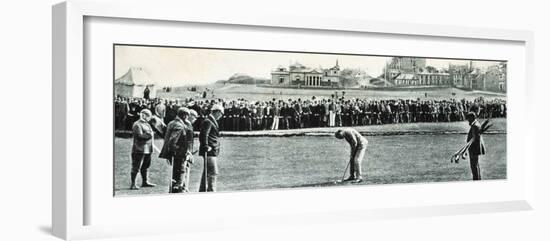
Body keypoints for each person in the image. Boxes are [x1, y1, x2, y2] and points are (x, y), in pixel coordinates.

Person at [199, 104, 224, 192]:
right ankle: (211, 191)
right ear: (217, 112)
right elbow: (204, 135)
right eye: (221, 114)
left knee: (207, 172)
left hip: (211, 150)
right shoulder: (208, 121)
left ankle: (202, 191)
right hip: (209, 151)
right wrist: (206, 146)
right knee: (213, 172)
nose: (221, 116)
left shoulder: (210, 120)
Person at [130, 109, 156, 190]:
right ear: (143, 115)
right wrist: (149, 134)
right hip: (139, 149)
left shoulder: (146, 124)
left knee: (145, 166)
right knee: (136, 167)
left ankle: (145, 182)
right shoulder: (137, 124)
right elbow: (139, 136)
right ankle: (133, 184)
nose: (149, 118)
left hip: (148, 149)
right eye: (148, 116)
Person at [466, 112, 486, 180]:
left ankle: (476, 179)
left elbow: (476, 139)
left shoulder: (475, 125)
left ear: (472, 118)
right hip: (474, 148)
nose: (468, 120)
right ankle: (478, 178)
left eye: (469, 119)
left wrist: (471, 149)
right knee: (476, 164)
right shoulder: (475, 124)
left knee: (474, 165)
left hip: (474, 148)